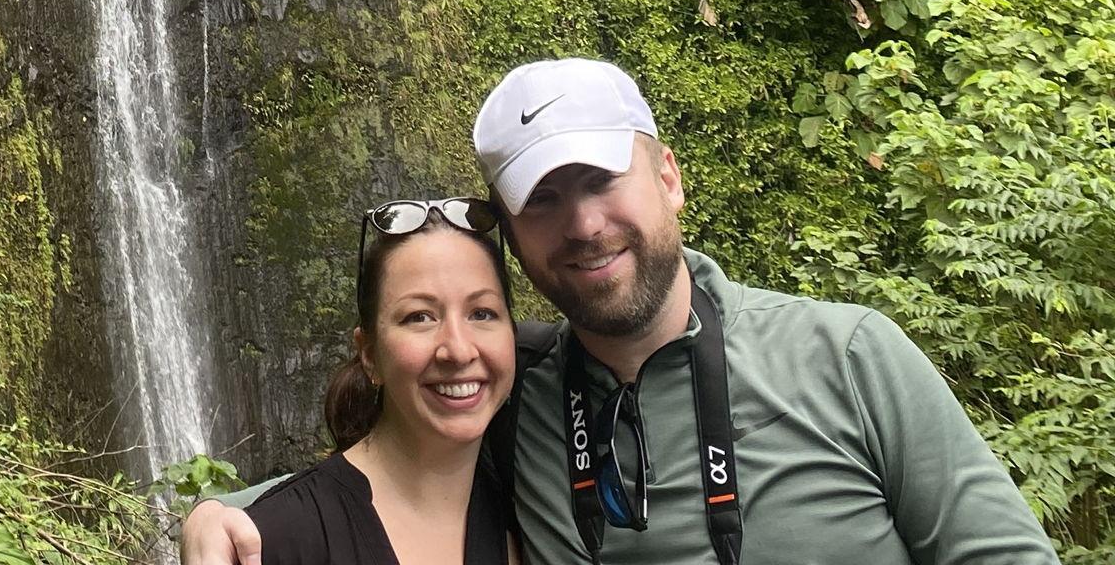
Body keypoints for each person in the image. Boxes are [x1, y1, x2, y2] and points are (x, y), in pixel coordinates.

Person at [183, 59, 1059, 565]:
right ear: (516, 237)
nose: (584, 225)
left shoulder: (847, 357)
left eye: (601, 179)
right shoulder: (517, 395)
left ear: (668, 176)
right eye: (543, 199)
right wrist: (223, 515)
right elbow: (386, 466)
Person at [245, 195, 521, 565]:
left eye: (482, 313)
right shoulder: (275, 540)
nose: (458, 350)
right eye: (419, 317)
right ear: (370, 355)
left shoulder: (532, 511)